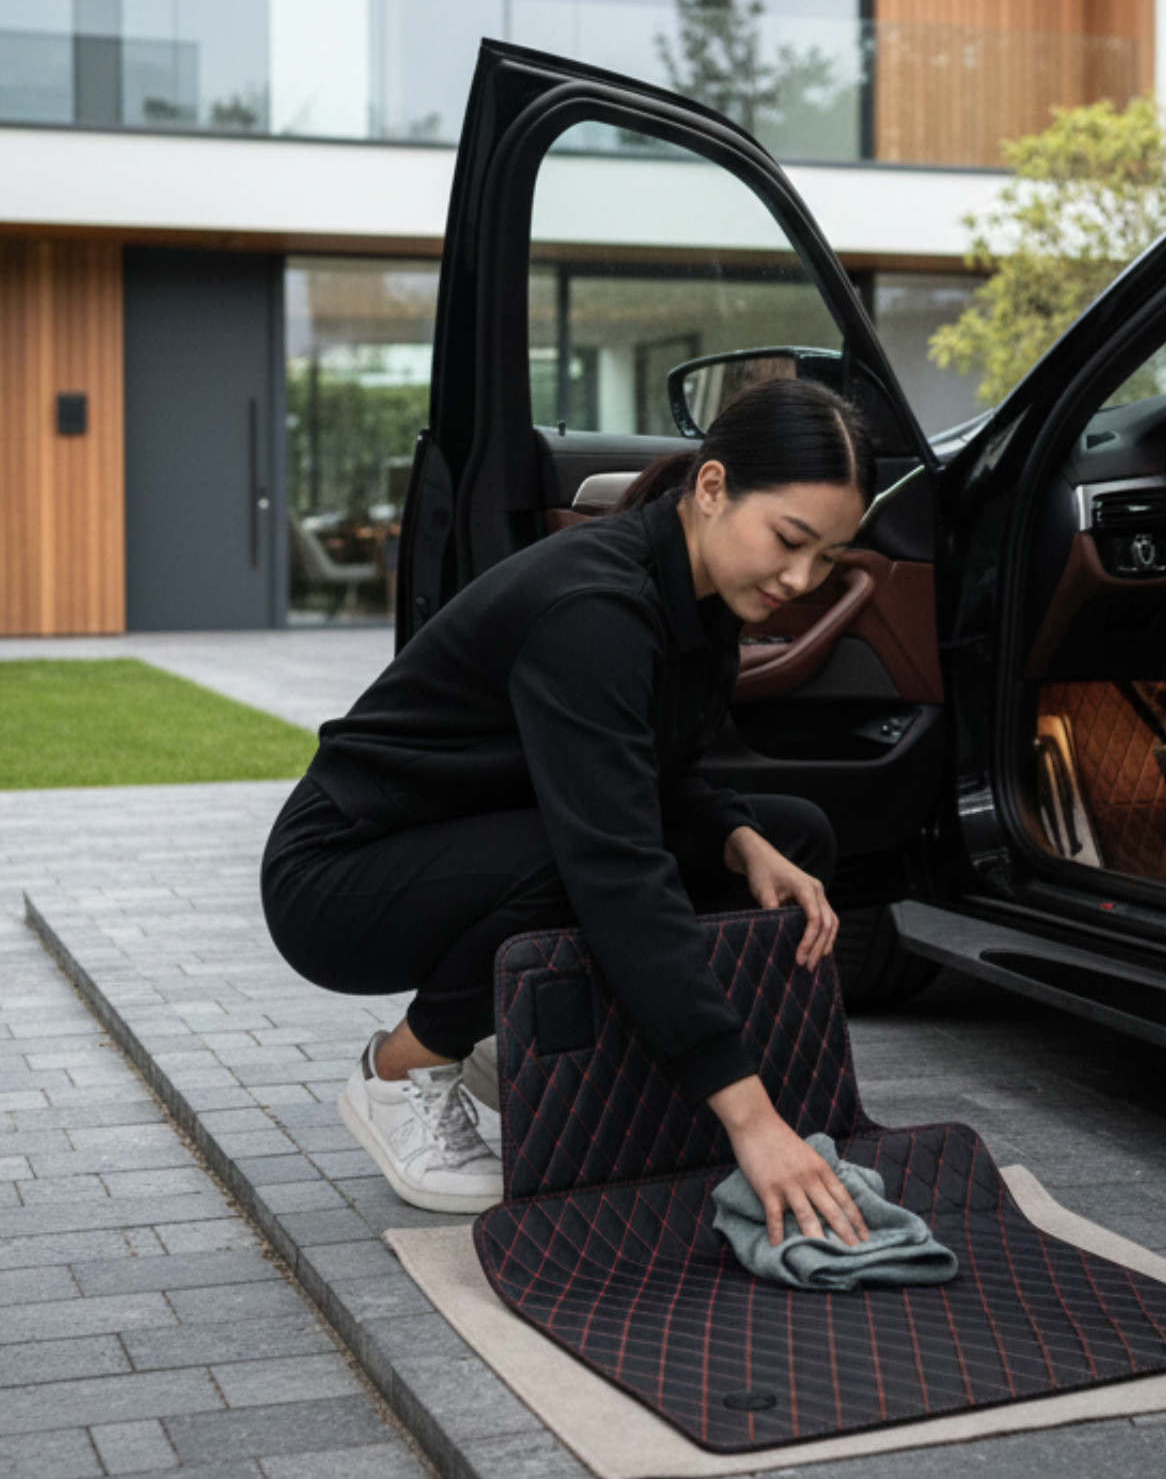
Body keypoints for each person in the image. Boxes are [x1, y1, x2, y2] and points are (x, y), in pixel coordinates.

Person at [260, 377, 873, 1249]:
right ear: (710, 488)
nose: (802, 579)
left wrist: (741, 840)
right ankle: (400, 1071)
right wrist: (749, 1119)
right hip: (339, 875)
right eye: (789, 540)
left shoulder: (697, 601)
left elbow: (658, 777)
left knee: (787, 837)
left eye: (828, 558)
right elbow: (615, 864)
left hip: (477, 840)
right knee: (584, 859)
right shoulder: (595, 609)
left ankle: (521, 1043)